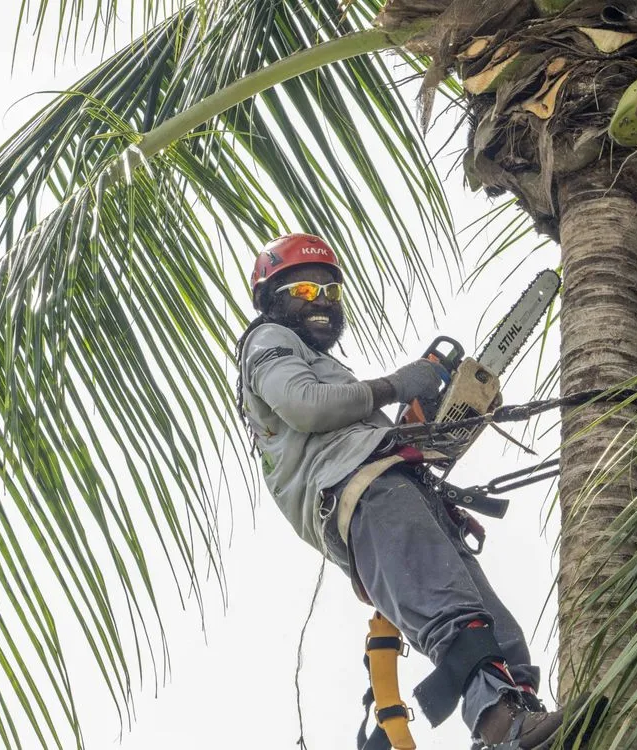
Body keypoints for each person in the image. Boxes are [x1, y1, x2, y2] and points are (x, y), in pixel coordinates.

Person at [235, 233, 574, 748]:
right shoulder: (268, 342)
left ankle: (519, 718)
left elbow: (343, 418)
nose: (322, 300)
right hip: (360, 493)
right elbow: (305, 404)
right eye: (305, 291)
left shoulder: (321, 365)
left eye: (331, 291)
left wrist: (421, 425)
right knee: (450, 613)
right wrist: (398, 384)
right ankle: (501, 724)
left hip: (395, 486)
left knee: (500, 631)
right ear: (271, 300)